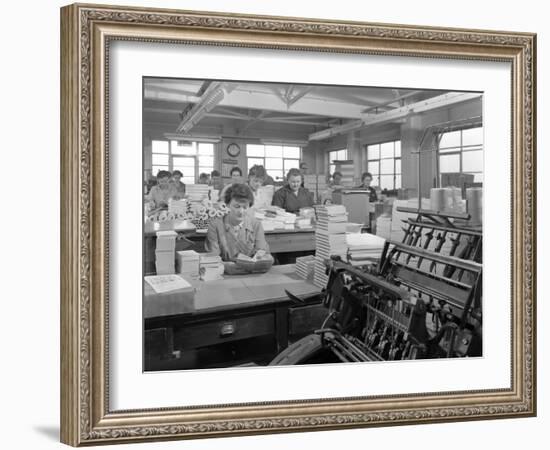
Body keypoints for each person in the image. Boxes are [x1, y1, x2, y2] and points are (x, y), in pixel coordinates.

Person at [205, 183, 271, 262]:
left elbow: (262, 253)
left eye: (245, 207)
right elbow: (213, 258)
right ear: (227, 205)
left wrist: (258, 258)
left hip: (251, 271)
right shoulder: (215, 225)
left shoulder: (256, 225)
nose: (241, 211)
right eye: (237, 206)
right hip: (224, 271)